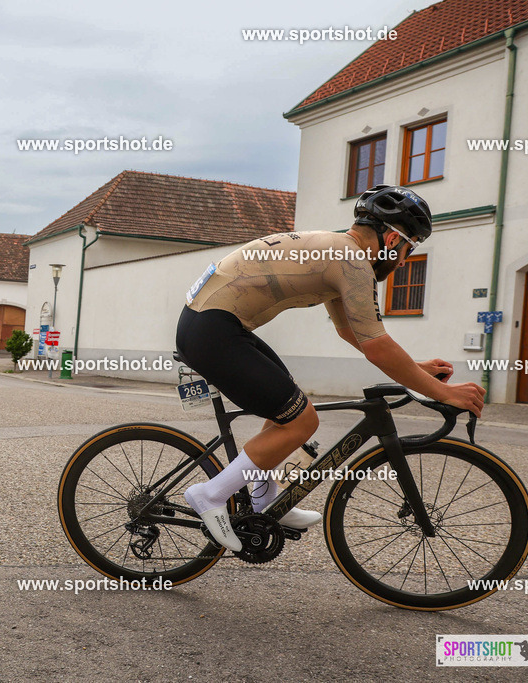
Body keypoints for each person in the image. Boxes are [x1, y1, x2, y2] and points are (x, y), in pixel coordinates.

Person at [177, 185, 486, 552]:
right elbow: (376, 345)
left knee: (286, 407)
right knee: (301, 420)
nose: (403, 261)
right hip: (213, 329)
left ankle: (262, 499)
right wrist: (443, 392)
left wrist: (415, 368)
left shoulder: (340, 252)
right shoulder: (350, 260)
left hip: (215, 326)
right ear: (391, 238)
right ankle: (210, 495)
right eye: (407, 249)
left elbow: (350, 330)